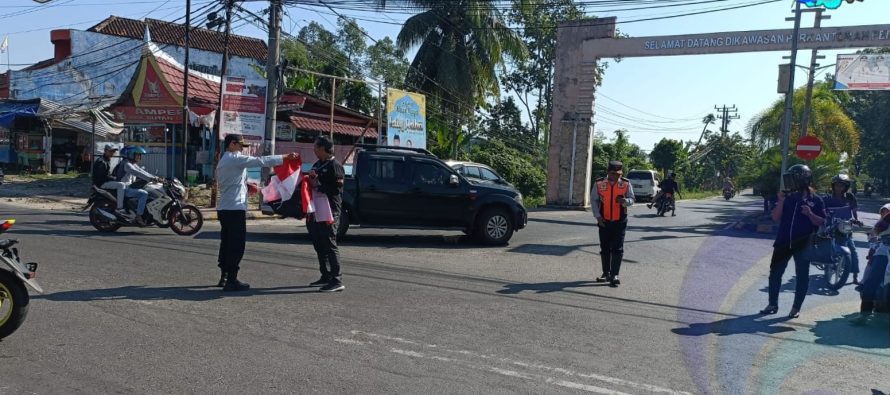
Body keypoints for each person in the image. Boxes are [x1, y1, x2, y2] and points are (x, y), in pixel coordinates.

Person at [216, 134, 299, 292]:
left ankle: (224, 276)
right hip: (234, 209)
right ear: (232, 145)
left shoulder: (224, 161)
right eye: (240, 146)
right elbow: (261, 161)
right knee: (236, 245)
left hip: (225, 208)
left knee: (226, 243)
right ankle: (231, 280)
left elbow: (231, 182)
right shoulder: (234, 158)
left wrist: (246, 186)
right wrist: (285, 157)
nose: (242, 149)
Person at [760, 164, 826, 319]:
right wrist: (781, 201)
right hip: (783, 241)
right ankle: (772, 304)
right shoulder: (788, 197)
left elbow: (820, 221)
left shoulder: (816, 200)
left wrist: (810, 214)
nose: (791, 182)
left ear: (804, 179)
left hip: (803, 243)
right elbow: (775, 217)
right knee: (775, 273)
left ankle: (796, 308)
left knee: (802, 275)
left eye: (794, 178)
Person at [307, 136, 347, 292]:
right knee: (319, 243)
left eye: (316, 147)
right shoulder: (318, 164)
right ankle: (326, 275)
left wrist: (318, 184)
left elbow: (336, 190)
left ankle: (337, 280)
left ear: (323, 148)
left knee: (330, 244)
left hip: (330, 210)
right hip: (316, 209)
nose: (314, 150)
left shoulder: (335, 166)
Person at [591, 160, 635, 287]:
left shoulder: (626, 184)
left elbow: (632, 199)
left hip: (620, 221)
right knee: (604, 248)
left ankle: (615, 274)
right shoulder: (599, 183)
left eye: (618, 174)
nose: (615, 176)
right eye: (613, 173)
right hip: (604, 221)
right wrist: (598, 217)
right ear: (608, 172)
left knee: (617, 248)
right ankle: (606, 273)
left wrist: (625, 201)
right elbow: (594, 200)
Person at [851, 204, 890, 325]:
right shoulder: (888, 218)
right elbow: (876, 230)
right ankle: (863, 315)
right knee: (871, 281)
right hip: (885, 250)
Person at [823, 174, 862, 284]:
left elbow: (854, 212)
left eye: (842, 186)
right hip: (831, 225)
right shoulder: (827, 198)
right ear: (833, 186)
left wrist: (856, 220)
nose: (839, 188)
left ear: (846, 187)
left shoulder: (850, 197)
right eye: (837, 185)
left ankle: (855, 276)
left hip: (846, 227)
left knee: (853, 251)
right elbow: (821, 209)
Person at [118, 146, 161, 226]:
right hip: (125, 188)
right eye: (137, 155)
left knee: (148, 189)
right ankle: (138, 216)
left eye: (140, 155)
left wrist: (155, 178)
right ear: (131, 155)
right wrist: (150, 179)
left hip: (129, 186)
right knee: (143, 194)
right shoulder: (127, 164)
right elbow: (137, 173)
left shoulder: (132, 164)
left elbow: (142, 171)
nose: (139, 157)